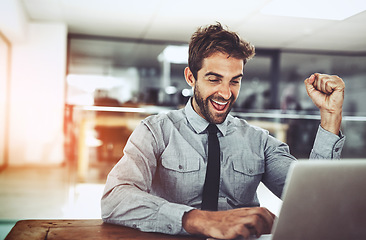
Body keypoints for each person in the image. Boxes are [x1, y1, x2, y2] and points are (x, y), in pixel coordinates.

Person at [101, 23, 345, 239]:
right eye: (214, 79)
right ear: (191, 77)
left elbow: (315, 202)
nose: (226, 93)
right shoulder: (156, 131)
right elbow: (115, 199)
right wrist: (200, 220)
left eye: (234, 81)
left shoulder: (259, 141)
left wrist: (331, 115)